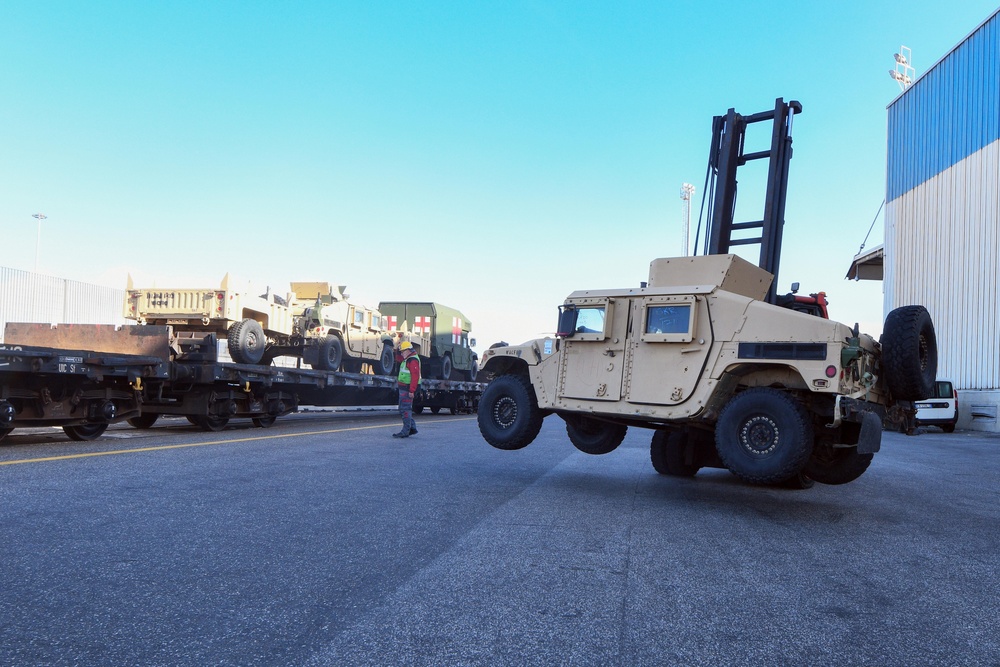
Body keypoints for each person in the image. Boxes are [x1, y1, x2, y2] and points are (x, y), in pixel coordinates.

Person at [393, 341, 421, 438]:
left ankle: (405, 431)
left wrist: (412, 391)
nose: (401, 353)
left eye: (403, 351)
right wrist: (397, 349)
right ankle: (412, 428)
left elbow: (415, 376)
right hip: (405, 388)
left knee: (405, 409)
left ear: (408, 351)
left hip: (407, 389)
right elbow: (398, 358)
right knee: (404, 409)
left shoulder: (412, 360)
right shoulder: (408, 359)